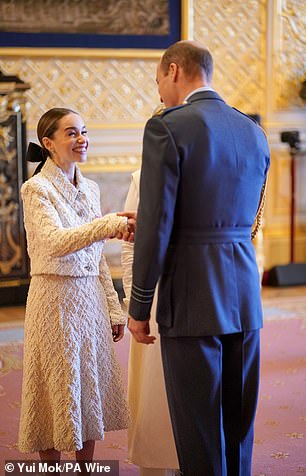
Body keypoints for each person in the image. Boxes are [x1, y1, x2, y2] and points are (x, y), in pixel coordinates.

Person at [126, 41, 270, 475]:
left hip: (190, 297)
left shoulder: (168, 127)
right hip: (244, 295)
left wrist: (139, 305)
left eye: (158, 83)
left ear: (173, 71)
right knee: (238, 426)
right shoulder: (253, 131)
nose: (160, 95)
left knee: (199, 431)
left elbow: (155, 225)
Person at [18, 107, 133, 471]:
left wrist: (113, 308)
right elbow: (53, 242)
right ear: (48, 143)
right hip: (53, 300)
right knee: (54, 390)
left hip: (90, 301)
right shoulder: (35, 189)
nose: (81, 139)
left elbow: (98, 258)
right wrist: (105, 226)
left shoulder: (92, 187)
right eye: (71, 133)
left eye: (83, 131)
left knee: (87, 390)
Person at [121, 169, 179, 476]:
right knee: (153, 384)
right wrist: (134, 303)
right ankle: (155, 463)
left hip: (200, 294)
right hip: (154, 293)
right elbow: (131, 246)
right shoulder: (145, 176)